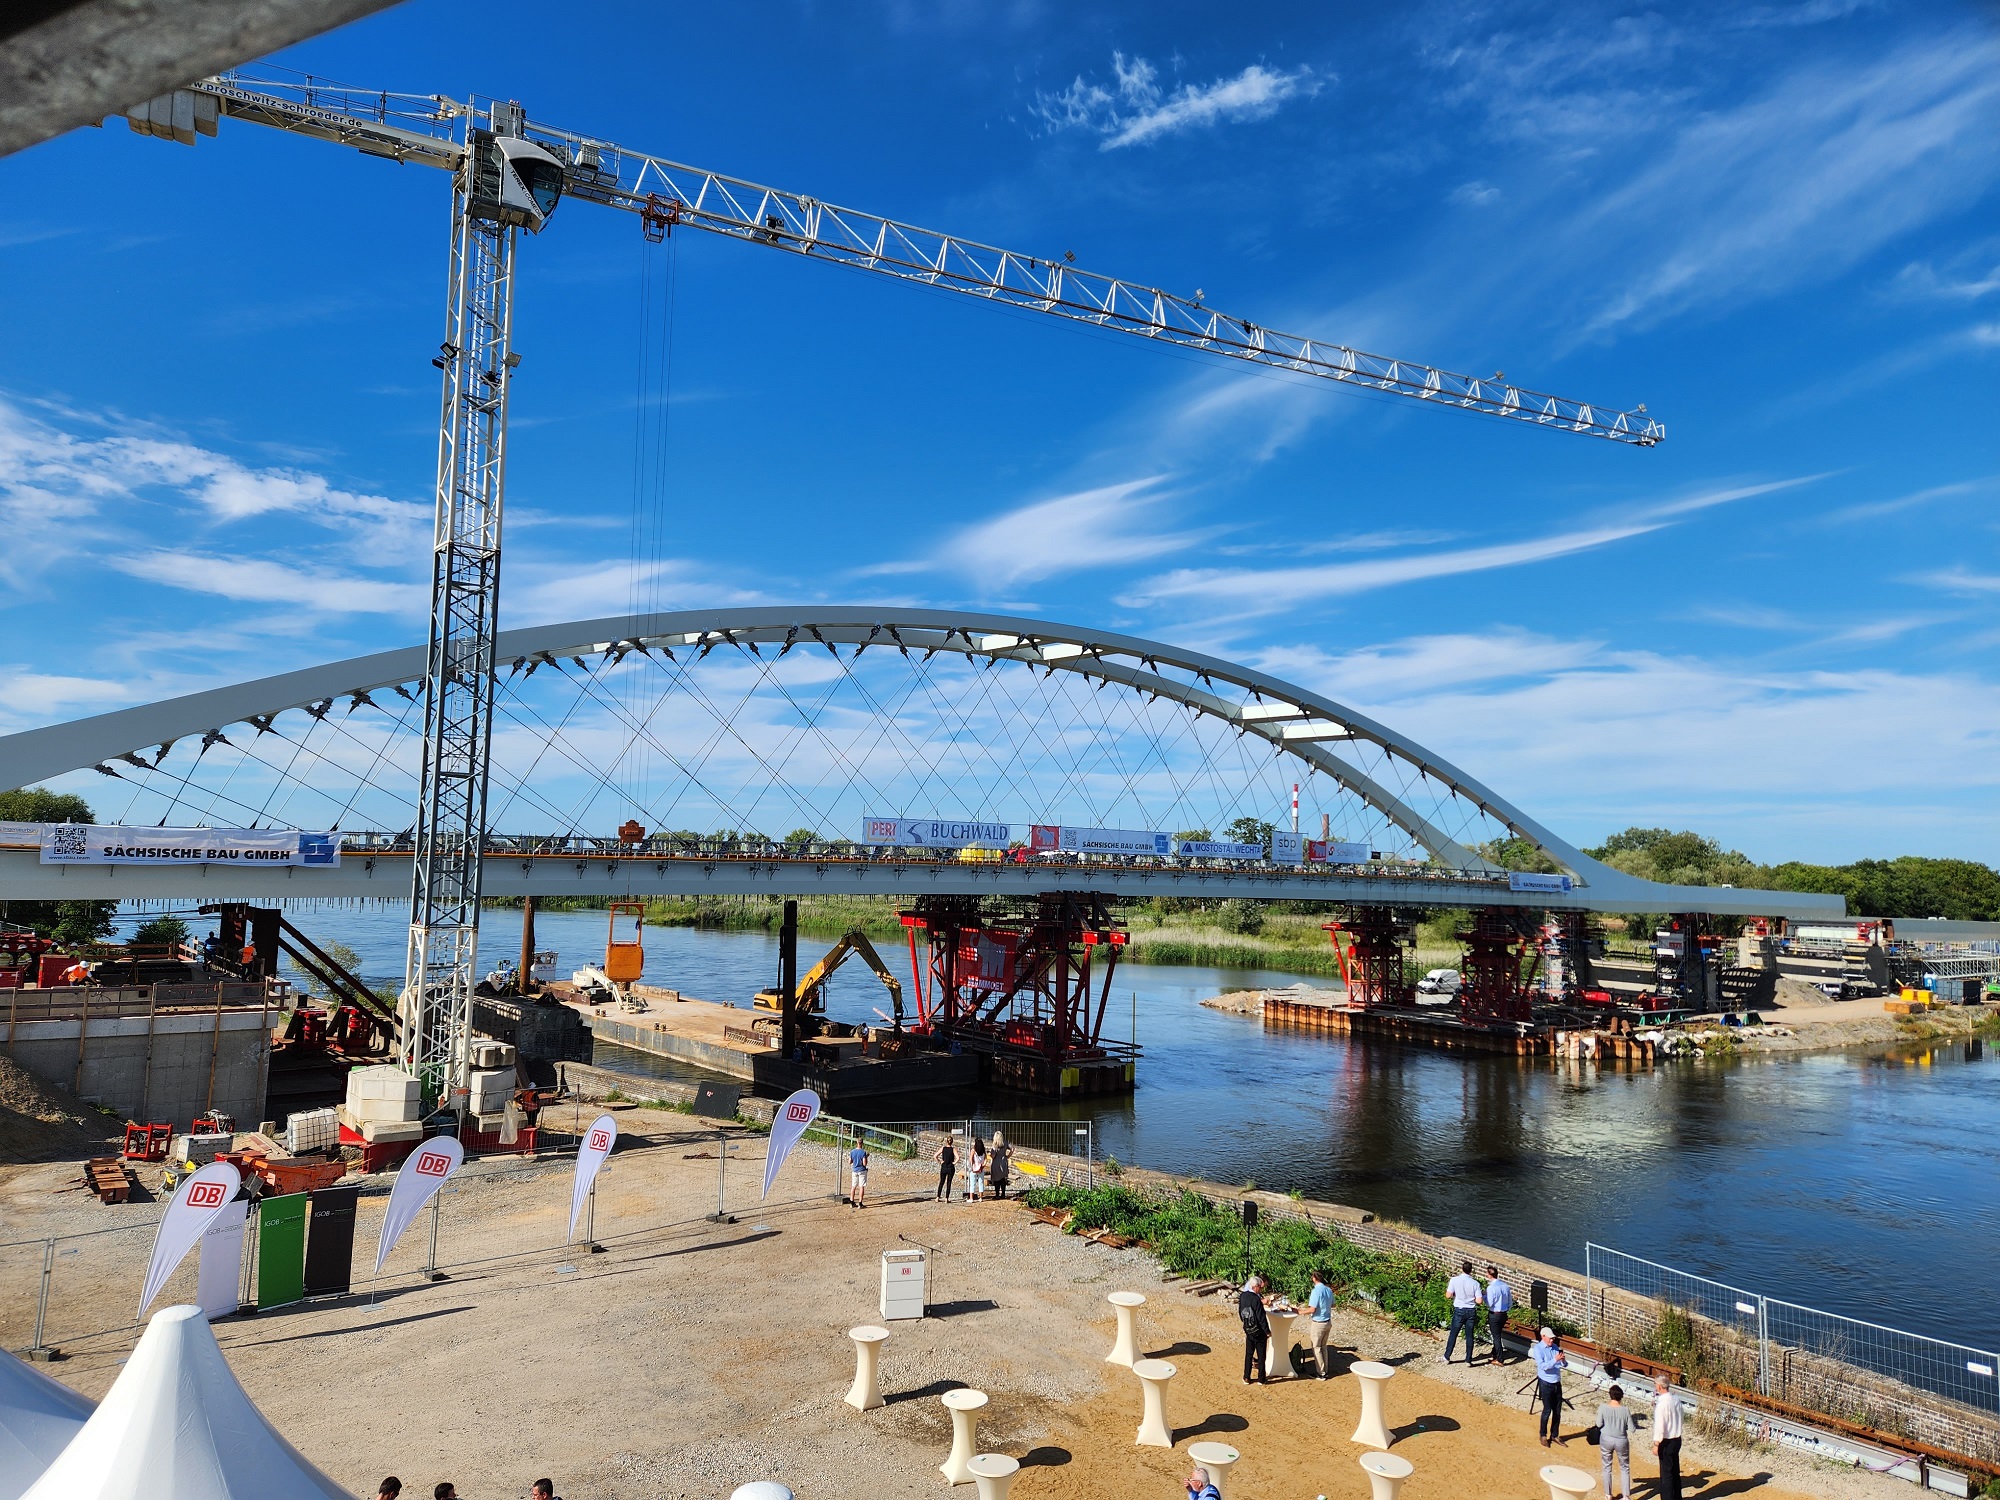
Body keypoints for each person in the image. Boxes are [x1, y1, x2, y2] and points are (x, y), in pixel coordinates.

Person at [1596, 1383, 1634, 1500]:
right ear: (1621, 1397)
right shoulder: (1625, 1410)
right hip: (1621, 1440)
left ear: (1610, 1395)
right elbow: (1632, 1429)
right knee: (1624, 1467)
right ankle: (1626, 1496)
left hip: (1606, 1439)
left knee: (1607, 1466)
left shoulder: (1603, 1407)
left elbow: (1598, 1424)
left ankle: (1608, 1494)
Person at [1443, 1258, 1483, 1363]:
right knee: (1469, 1335)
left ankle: (1447, 1356)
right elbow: (1479, 1301)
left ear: (1462, 1269)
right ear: (1471, 1270)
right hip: (1471, 1311)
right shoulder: (1475, 1283)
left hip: (1459, 1310)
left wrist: (1456, 1295)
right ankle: (1468, 1359)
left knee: (1453, 1334)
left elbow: (1448, 1295)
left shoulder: (1454, 1280)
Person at [1532, 1328, 1568, 1446]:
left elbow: (1563, 1364)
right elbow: (1542, 1366)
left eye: (1553, 1338)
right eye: (1550, 1338)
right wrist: (1554, 1360)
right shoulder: (1538, 1349)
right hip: (1546, 1383)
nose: (1552, 1340)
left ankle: (1555, 1435)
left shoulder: (1555, 1347)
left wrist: (1562, 1360)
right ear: (1543, 1336)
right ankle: (1543, 1435)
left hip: (1556, 1382)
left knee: (1557, 1411)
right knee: (1547, 1410)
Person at [1652, 1375, 1684, 1500]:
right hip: (1677, 1438)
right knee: (1675, 1471)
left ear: (1659, 1386)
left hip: (1667, 1441)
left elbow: (1660, 1426)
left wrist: (1656, 1443)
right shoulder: (1676, 1399)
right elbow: (1681, 1416)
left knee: (1666, 1475)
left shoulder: (1662, 1404)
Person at [1238, 1272, 1272, 1384]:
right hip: (1259, 1331)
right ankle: (1261, 1379)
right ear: (1255, 1287)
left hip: (1248, 1329)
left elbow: (1240, 1312)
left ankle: (1246, 1377)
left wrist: (1246, 1324)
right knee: (1261, 1355)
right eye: (1259, 1288)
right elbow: (1261, 1317)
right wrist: (1267, 1331)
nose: (1260, 1290)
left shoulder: (1243, 1296)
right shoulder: (1256, 1299)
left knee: (1249, 1354)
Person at [1305, 1265, 1336, 1379]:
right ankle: (1324, 1370)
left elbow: (1312, 1309)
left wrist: (1300, 1311)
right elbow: (1333, 1304)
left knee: (1316, 1347)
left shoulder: (1316, 1291)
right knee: (1323, 1347)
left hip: (1318, 1323)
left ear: (1314, 1278)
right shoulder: (1328, 1290)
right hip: (1327, 1321)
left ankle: (1321, 1373)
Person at [1483, 1264, 1514, 1364]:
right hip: (1503, 1314)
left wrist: (1484, 1297)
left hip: (1494, 1314)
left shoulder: (1491, 1288)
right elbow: (1510, 1302)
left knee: (1496, 1337)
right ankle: (1495, 1352)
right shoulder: (1505, 1286)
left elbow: (1490, 1303)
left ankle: (1499, 1359)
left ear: (1489, 1275)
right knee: (1498, 1334)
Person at [988, 1130, 1011, 1200]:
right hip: (1004, 1161)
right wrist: (1008, 1156)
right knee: (1002, 1178)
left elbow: (993, 1155)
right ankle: (1003, 1194)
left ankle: (997, 1194)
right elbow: (1012, 1148)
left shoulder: (995, 1145)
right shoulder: (1005, 1143)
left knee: (996, 1179)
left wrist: (989, 1154)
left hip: (996, 1163)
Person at [935, 1135, 957, 1202]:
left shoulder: (943, 1148)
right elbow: (958, 1158)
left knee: (941, 1182)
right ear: (952, 1142)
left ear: (946, 1141)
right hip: (950, 1167)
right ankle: (946, 1198)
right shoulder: (953, 1149)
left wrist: (940, 1162)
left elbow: (935, 1156)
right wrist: (954, 1162)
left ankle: (937, 1197)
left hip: (944, 1167)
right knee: (949, 1183)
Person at [848, 1140, 869, 1208]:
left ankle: (851, 1202)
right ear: (862, 1143)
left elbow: (850, 1161)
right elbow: (864, 1163)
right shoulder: (863, 1152)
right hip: (862, 1170)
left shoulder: (852, 1151)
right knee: (861, 1186)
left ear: (857, 1143)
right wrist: (866, 1157)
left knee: (853, 1186)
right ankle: (860, 1203)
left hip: (854, 1170)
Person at [966, 1136, 987, 1201]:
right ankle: (980, 1197)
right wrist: (983, 1165)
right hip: (981, 1168)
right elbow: (986, 1159)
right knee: (981, 1183)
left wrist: (972, 1166)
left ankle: (971, 1198)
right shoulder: (983, 1151)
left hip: (974, 1169)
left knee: (972, 1183)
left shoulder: (973, 1150)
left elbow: (970, 1159)